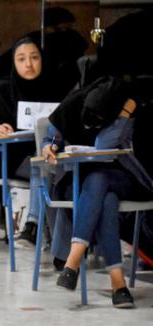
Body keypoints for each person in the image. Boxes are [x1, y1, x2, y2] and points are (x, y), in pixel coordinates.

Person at [43, 77, 153, 308]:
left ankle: (73, 260)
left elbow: (104, 146)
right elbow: (52, 135)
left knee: (100, 179)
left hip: (130, 178)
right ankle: (118, 284)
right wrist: (49, 145)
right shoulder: (75, 101)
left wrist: (123, 115)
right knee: (105, 196)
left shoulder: (133, 105)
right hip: (82, 182)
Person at [0, 36, 64, 245]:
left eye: (34, 58)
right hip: (15, 161)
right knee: (39, 164)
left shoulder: (56, 87)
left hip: (55, 157)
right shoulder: (4, 89)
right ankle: (34, 225)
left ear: (43, 59)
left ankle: (58, 240)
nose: (28, 64)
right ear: (14, 62)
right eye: (21, 59)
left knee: (53, 167)